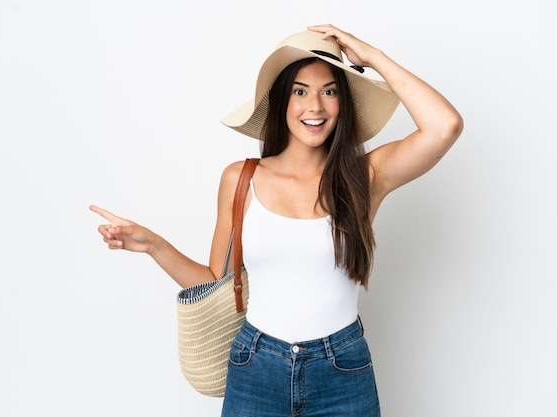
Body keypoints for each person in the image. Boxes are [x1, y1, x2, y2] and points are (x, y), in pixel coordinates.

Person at [90, 23, 463, 417]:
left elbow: (445, 127)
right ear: (282, 100)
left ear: (343, 102)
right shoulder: (241, 179)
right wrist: (154, 246)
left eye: (329, 91)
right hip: (256, 367)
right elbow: (217, 283)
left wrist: (372, 58)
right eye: (300, 91)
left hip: (343, 370)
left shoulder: (364, 176)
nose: (315, 107)